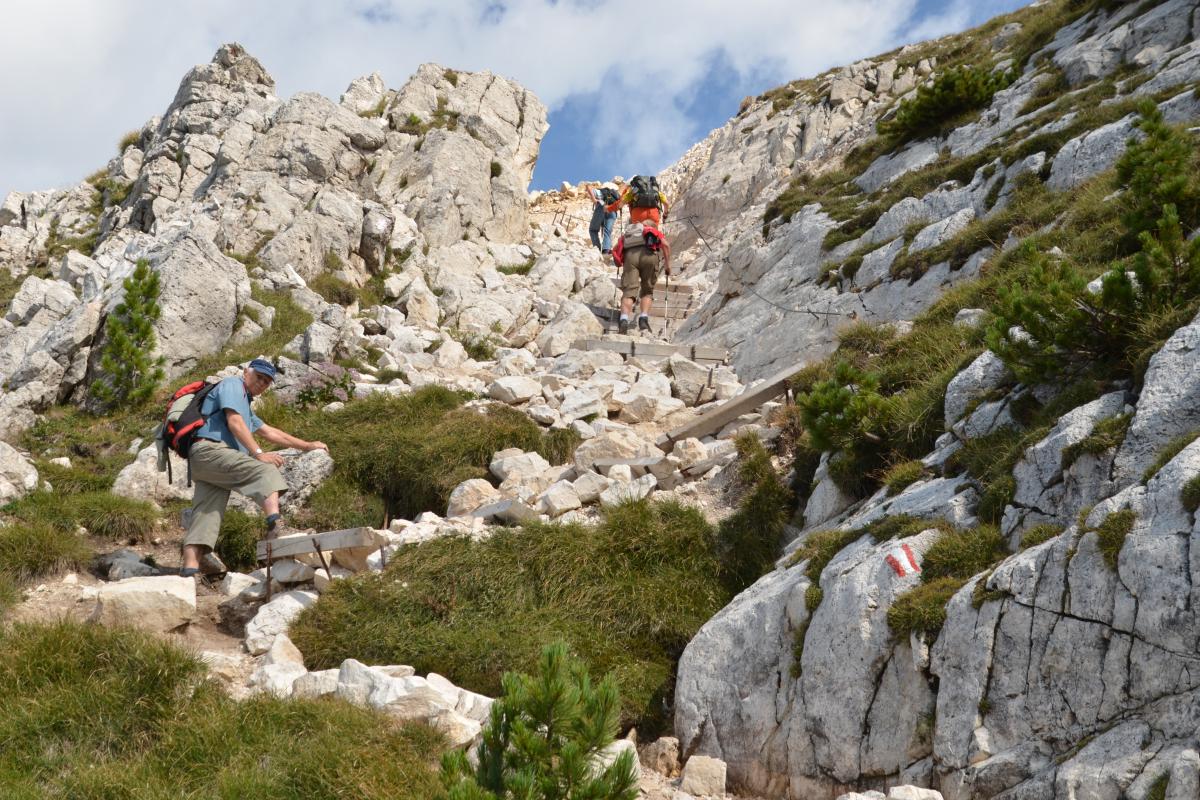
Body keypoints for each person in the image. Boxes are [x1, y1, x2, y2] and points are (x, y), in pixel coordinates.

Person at [178, 358, 328, 577]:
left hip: (208, 464)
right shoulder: (232, 385)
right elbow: (235, 423)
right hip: (211, 451)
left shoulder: (245, 406)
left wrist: (307, 445)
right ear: (247, 372)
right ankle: (276, 528)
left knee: (205, 514)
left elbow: (269, 432)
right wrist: (259, 454)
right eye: (259, 377)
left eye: (267, 382)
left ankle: (188, 571)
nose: (262, 383)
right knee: (265, 470)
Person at [612, 221, 671, 334]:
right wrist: (668, 265)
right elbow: (666, 245)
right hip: (649, 256)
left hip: (630, 258)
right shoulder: (652, 230)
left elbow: (615, 249)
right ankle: (643, 319)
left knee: (629, 292)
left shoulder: (630, 233)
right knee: (647, 291)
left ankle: (623, 319)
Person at [606, 174, 670, 228]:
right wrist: (665, 215)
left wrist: (608, 208)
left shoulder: (633, 191)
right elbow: (666, 204)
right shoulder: (655, 190)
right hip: (653, 215)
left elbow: (620, 204)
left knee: (639, 237)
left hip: (638, 215)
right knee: (654, 236)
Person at [588, 183, 619, 254]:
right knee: (607, 231)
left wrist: (594, 200)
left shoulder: (601, 192)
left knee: (593, 230)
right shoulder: (615, 195)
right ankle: (606, 250)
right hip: (613, 211)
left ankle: (597, 250)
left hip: (602, 207)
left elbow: (589, 189)